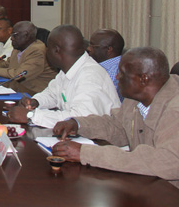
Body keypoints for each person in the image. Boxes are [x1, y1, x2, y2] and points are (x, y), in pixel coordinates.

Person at [52, 47, 179, 188]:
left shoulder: (175, 109)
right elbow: (118, 126)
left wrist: (86, 153)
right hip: (146, 186)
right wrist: (78, 124)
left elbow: (168, 161)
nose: (117, 77)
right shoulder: (136, 98)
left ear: (143, 79)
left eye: (122, 73)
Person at [8, 24, 120, 128]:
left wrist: (31, 116)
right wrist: (36, 102)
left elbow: (80, 119)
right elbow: (52, 94)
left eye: (48, 48)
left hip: (100, 140)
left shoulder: (90, 76)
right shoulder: (69, 69)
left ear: (56, 50)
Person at [0, 21, 57, 95]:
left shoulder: (37, 50)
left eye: (14, 35)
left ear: (26, 35)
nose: (11, 38)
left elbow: (18, 75)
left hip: (37, 94)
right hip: (20, 88)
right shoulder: (19, 47)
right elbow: (8, 64)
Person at [87, 29, 125, 101]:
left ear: (109, 49)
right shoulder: (94, 64)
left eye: (93, 46)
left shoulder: (118, 70)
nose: (88, 48)